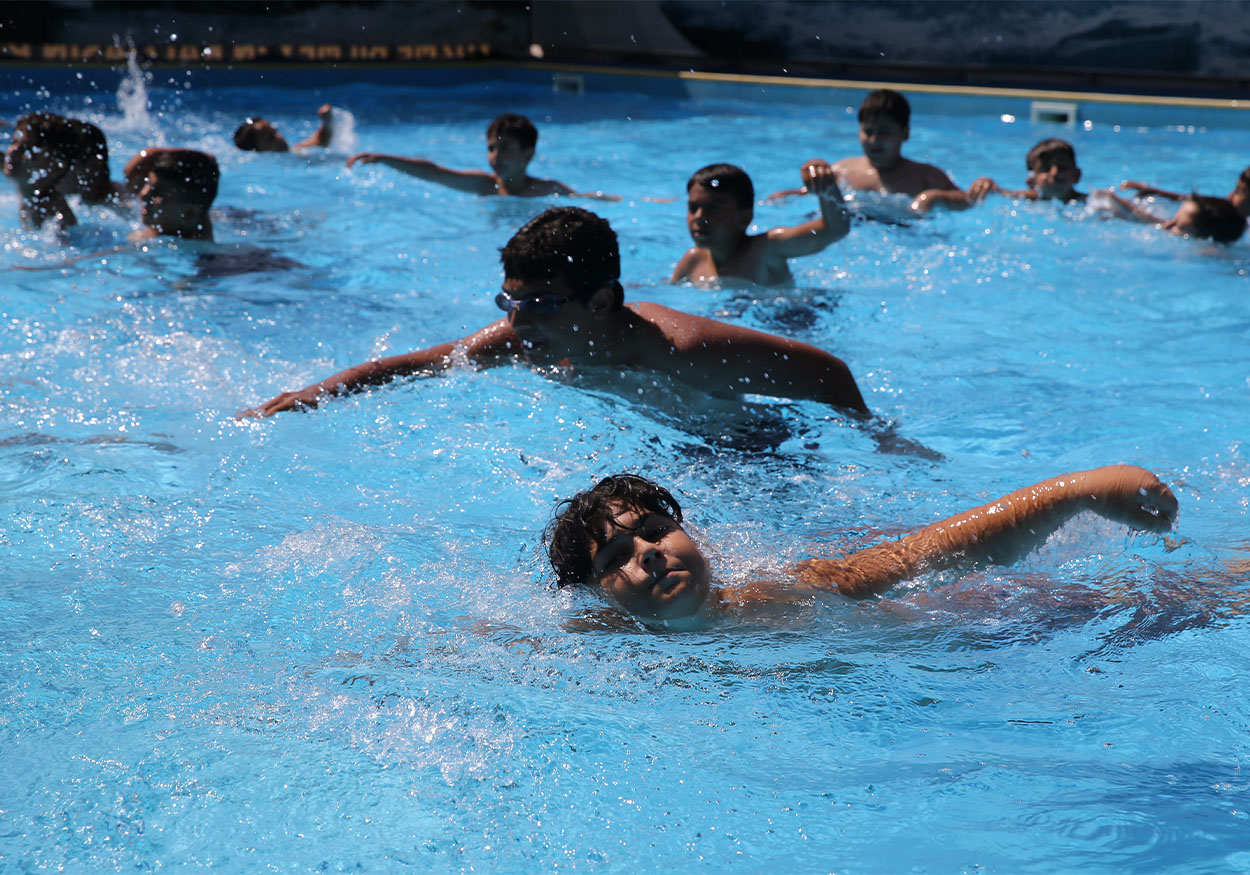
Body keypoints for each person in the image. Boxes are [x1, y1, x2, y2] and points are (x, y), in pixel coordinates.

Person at [239, 206, 867, 417]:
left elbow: (829, 375)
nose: (516, 323)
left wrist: (880, 439)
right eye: (508, 302)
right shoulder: (522, 337)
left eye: (536, 305)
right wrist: (313, 393)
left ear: (601, 302)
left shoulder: (685, 349)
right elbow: (414, 366)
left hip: (743, 445)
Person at [545, 465, 1177, 623]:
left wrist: (1081, 490)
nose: (646, 554)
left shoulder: (792, 591)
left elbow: (938, 549)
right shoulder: (606, 639)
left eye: (654, 533)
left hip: (966, 624)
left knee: (1142, 609)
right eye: (615, 560)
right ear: (598, 596)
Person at [344, 113, 617, 199]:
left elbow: (587, 200)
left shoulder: (546, 190)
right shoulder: (485, 186)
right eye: (491, 149)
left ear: (528, 154)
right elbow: (435, 173)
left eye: (506, 149)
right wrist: (384, 159)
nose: (496, 157)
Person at [769, 90, 961, 211]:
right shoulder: (841, 172)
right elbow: (803, 196)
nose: (873, 140)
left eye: (884, 133)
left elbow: (966, 201)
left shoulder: (924, 176)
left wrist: (934, 196)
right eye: (867, 132)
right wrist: (785, 196)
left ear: (905, 133)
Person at [670, 162, 850, 286]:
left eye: (713, 208)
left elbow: (834, 230)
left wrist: (826, 187)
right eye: (693, 208)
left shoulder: (767, 248)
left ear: (744, 218)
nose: (699, 217)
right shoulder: (693, 261)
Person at [4, 111, 124, 228]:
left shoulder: (56, 212)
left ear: (57, 166)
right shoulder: (26, 179)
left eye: (28, 148)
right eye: (14, 142)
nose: (13, 150)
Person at [127, 148, 219, 242]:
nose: (143, 193)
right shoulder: (190, 211)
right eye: (148, 183)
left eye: (158, 192)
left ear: (189, 213)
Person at [1094, 189, 1245, 243]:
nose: (1167, 225)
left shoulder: (1213, 254)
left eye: (1178, 225)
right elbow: (1154, 222)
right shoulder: (1192, 236)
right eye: (1174, 219)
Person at [967, 137, 1087, 205]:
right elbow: (998, 192)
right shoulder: (1026, 199)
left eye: (1063, 166)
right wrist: (987, 184)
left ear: (1077, 175)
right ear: (1031, 181)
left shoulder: (1090, 203)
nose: (1055, 173)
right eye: (1045, 168)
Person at [1120, 165, 1250, 219]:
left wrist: (1128, 211)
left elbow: (1174, 229)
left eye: (1240, 191)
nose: (1231, 195)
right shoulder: (1232, 211)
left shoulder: (1234, 224)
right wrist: (1152, 191)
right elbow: (1205, 204)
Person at [233, 104, 336, 152]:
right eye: (270, 137)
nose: (279, 137)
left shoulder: (295, 152)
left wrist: (327, 122)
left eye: (275, 131)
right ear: (259, 149)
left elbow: (320, 141)